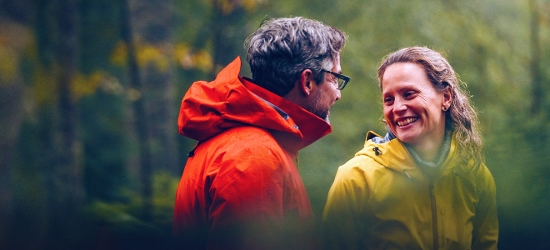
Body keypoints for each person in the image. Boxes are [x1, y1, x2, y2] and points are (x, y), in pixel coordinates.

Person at [173, 17, 348, 249]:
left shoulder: (256, 143)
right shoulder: (253, 156)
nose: (338, 94)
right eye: (334, 78)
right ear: (307, 81)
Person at [321, 47, 498, 250]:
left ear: (446, 97)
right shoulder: (357, 178)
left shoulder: (476, 176)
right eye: (389, 99)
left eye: (409, 94)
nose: (397, 108)